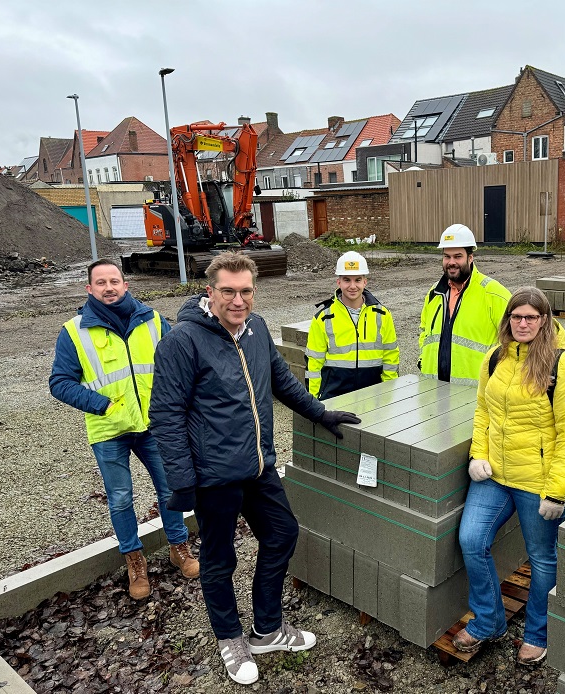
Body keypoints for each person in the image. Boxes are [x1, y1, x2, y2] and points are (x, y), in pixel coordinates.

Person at [148, 252, 360, 686]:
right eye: (228, 291)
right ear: (210, 291)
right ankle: (230, 638)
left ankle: (267, 629)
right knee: (219, 559)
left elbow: (280, 381)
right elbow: (165, 415)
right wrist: (182, 481)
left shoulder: (257, 329)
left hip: (259, 466)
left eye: (245, 291)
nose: (238, 300)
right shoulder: (182, 341)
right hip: (214, 477)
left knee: (282, 533)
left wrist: (320, 413)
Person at [454, 286, 565, 664]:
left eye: (531, 317)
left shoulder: (562, 367)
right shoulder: (495, 358)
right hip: (495, 475)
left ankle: (537, 633)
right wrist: (477, 455)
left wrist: (558, 492)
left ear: (545, 320)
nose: (523, 323)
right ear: (508, 319)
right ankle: (488, 622)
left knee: (542, 558)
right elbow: (483, 412)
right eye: (517, 316)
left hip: (538, 484)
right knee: (470, 539)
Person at [49, 259, 198, 601]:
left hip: (154, 425)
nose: (108, 287)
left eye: (114, 280)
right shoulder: (74, 332)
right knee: (120, 499)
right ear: (89, 289)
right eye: (100, 283)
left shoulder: (153, 321)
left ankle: (179, 548)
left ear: (125, 284)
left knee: (170, 488)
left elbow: (181, 361)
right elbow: (59, 383)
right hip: (109, 429)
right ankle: (135, 560)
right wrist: (102, 405)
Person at [419, 224, 510, 386]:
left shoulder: (493, 293)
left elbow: (517, 336)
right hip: (432, 388)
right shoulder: (434, 293)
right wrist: (423, 358)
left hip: (475, 392)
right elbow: (424, 331)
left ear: (470, 257)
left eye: (458, 256)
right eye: (447, 256)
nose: (451, 262)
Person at [306, 250, 400, 400]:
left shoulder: (382, 315)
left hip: (374, 396)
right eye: (346, 280)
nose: (352, 286)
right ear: (338, 282)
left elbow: (391, 357)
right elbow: (314, 363)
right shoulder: (324, 318)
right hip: (335, 397)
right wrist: (313, 400)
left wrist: (388, 392)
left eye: (357, 280)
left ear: (365, 282)